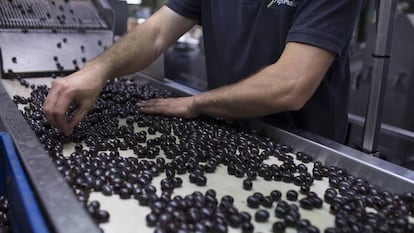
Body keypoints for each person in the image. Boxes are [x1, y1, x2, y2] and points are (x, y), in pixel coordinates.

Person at [43, 0, 363, 143]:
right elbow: (155, 35)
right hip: (227, 131)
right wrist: (98, 69)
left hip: (304, 151)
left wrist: (197, 103)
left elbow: (290, 85)